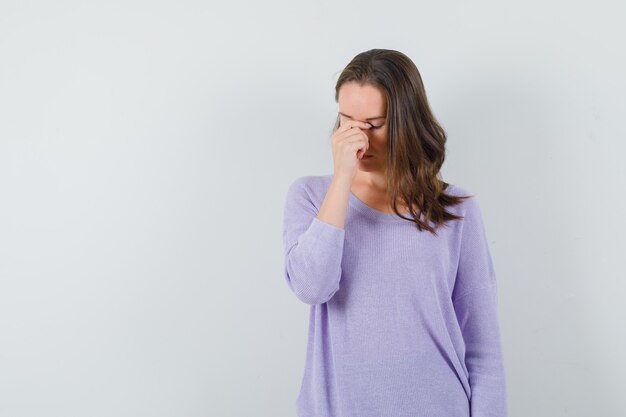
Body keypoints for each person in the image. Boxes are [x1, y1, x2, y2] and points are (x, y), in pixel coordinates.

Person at [281, 48, 507, 417]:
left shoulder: (456, 208)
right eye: (346, 121)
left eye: (374, 124)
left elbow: (483, 347)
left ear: (406, 121)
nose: (358, 139)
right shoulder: (310, 196)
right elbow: (312, 286)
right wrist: (343, 180)